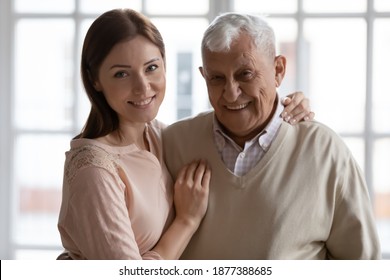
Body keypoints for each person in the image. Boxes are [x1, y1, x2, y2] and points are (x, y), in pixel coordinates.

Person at [57, 9, 313, 260]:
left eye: (151, 68)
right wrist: (186, 221)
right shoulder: (94, 171)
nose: (143, 87)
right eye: (121, 73)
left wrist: (285, 106)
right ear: (95, 80)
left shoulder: (162, 137)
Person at [162, 12, 381, 259]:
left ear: (278, 70)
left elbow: (363, 265)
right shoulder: (172, 144)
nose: (231, 93)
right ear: (204, 76)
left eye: (245, 74)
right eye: (217, 78)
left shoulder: (325, 151)